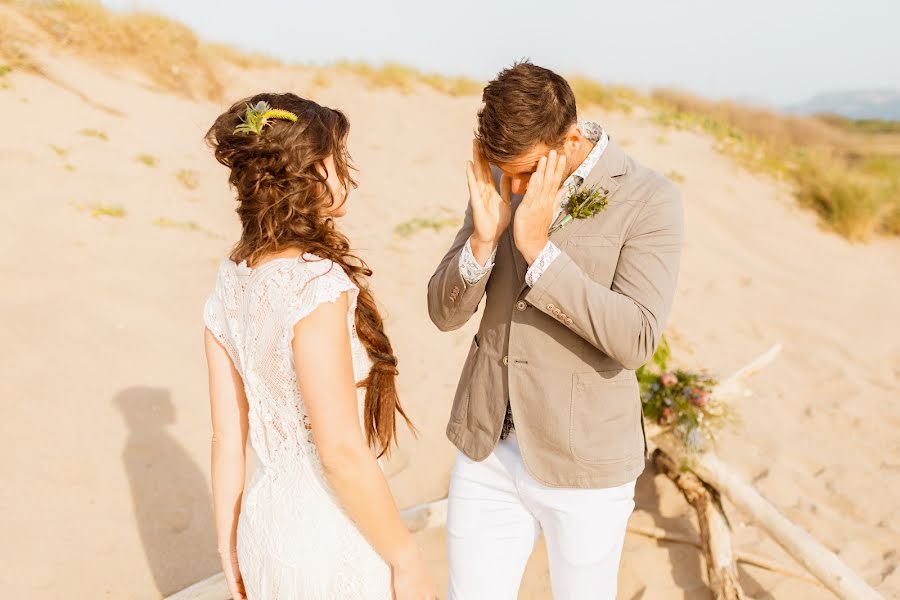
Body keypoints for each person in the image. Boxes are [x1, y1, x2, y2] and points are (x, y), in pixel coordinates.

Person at [427, 61, 685, 599]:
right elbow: (444, 312)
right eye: (506, 171)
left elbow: (637, 338)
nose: (515, 186)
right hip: (486, 447)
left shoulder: (650, 198)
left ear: (570, 138)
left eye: (526, 173)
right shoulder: (501, 178)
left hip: (586, 460)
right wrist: (481, 240)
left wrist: (538, 251)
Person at [202, 93, 436, 600]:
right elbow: (340, 453)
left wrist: (230, 546)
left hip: (263, 530)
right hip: (327, 531)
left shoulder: (231, 280)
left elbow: (227, 439)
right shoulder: (315, 284)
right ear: (313, 172)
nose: (347, 170)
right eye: (339, 159)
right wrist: (406, 559)